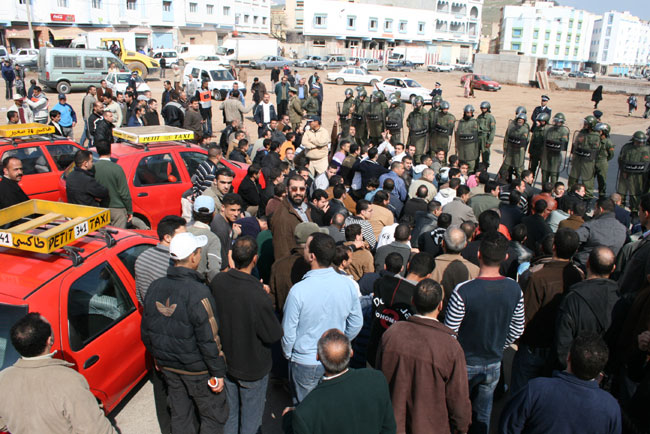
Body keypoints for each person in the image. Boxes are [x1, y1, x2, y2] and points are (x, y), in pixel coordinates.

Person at [141, 232, 228, 434]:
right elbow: (210, 337)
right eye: (199, 252)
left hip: (169, 368)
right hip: (197, 371)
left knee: (180, 416)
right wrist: (218, 372)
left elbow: (146, 331)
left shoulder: (155, 287)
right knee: (213, 417)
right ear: (193, 257)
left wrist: (158, 358)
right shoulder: (198, 292)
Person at [445, 231, 525, 434]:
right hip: (493, 362)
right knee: (483, 414)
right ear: (505, 257)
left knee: (456, 412)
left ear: (479, 254)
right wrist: (500, 344)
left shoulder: (463, 291)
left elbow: (450, 331)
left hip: (464, 362)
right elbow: (518, 328)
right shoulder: (514, 289)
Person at [210, 236, 283, 434]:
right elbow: (272, 334)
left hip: (226, 361)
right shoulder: (258, 294)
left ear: (232, 256)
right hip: (252, 368)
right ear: (255, 259)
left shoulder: (218, 281)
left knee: (231, 414)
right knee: (251, 420)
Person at [379, 279, 471, 434]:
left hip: (393, 424)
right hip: (431, 426)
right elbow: (458, 399)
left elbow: (379, 377)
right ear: (441, 305)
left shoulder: (391, 334)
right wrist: (462, 427)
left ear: (412, 301)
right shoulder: (450, 346)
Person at [0, 313, 117, 433]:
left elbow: (3, 423)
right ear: (49, 341)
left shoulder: (2, 379)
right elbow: (97, 430)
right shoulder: (68, 380)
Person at [281, 233, 363, 403]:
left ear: (312, 256)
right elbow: (356, 323)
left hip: (305, 361)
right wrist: (338, 342)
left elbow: (288, 332)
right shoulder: (348, 285)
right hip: (335, 360)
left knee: (304, 413)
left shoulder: (298, 291)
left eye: (305, 247)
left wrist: (289, 354)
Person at [499, 334, 621, 434]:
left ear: (568, 357)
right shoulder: (611, 408)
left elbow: (509, 427)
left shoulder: (537, 389)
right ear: (599, 372)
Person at [510, 228, 583, 393]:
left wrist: (517, 336)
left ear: (554, 247)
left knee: (521, 395)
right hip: (559, 347)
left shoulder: (537, 276)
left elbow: (526, 314)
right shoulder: (578, 275)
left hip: (534, 345)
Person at [282, 329, 396, 434]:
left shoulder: (306, 411)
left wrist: (287, 420)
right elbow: (389, 429)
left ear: (318, 357)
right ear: (351, 352)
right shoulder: (376, 380)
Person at [554, 246, 618, 369]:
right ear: (613, 269)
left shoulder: (573, 298)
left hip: (572, 370)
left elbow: (562, 342)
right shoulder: (620, 300)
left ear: (587, 263)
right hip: (601, 373)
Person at [574, 197, 626, 267]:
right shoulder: (623, 229)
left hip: (585, 266)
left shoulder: (591, 226)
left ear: (600, 209)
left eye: (595, 209)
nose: (594, 212)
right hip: (610, 268)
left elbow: (573, 240)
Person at [93, 141, 133, 228]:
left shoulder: (93, 168)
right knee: (119, 237)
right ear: (110, 151)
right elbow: (124, 193)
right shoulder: (117, 168)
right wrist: (129, 210)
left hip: (100, 209)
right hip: (117, 209)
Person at [187, 196, 223, 282]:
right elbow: (213, 271)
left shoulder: (183, 232)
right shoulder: (213, 239)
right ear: (213, 214)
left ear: (193, 212)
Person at [617, 131, 650, 214]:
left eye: (642, 142)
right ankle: (620, 209)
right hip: (625, 175)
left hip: (639, 177)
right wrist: (623, 170)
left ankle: (634, 211)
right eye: (638, 141)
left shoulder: (647, 149)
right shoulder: (627, 148)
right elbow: (620, 160)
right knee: (622, 193)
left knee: (635, 194)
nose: (640, 144)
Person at [210, 193, 243, 271]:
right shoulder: (220, 229)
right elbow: (222, 264)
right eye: (233, 210)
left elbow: (229, 250)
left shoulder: (228, 220)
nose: (236, 214)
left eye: (238, 210)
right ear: (223, 207)